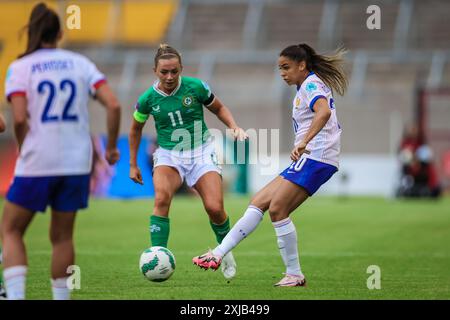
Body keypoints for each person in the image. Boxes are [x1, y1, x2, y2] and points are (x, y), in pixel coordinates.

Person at [193, 43, 348, 287]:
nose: (283, 73)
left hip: (317, 156)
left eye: (286, 67)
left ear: (302, 65)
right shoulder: (305, 86)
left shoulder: (310, 84)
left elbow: (323, 113)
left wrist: (304, 142)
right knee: (259, 201)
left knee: (277, 209)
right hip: (312, 157)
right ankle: (217, 254)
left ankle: (294, 274)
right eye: (280, 69)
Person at [0, 2, 121, 300]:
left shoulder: (20, 66)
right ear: (60, 33)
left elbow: (17, 117)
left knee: (12, 230)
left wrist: (25, 144)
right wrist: (113, 147)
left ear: (31, 32)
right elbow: (114, 104)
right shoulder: (80, 63)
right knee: (63, 236)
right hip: (77, 160)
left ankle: (15, 297)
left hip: (39, 159)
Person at [129, 44, 248, 280]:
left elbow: (219, 107)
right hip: (168, 154)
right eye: (164, 72)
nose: (170, 76)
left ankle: (224, 251)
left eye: (174, 71)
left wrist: (233, 126)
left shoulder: (196, 87)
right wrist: (133, 164)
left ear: (181, 68)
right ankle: (158, 256)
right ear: (155, 71)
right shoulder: (147, 99)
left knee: (214, 208)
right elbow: (135, 130)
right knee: (162, 197)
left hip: (201, 152)